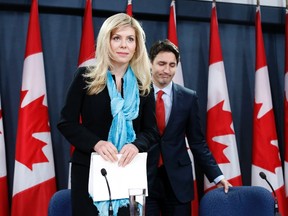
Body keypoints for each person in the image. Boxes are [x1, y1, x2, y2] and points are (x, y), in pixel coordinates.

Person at [57, 13, 158, 216]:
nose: (124, 45)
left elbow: (151, 131)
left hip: (129, 173)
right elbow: (66, 123)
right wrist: (97, 143)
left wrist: (136, 145)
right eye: (116, 38)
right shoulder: (86, 76)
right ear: (106, 41)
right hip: (90, 171)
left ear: (137, 46)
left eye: (130, 39)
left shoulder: (143, 84)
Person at [146, 39, 232, 216]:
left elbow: (197, 142)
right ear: (150, 63)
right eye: (161, 63)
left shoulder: (188, 97)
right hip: (144, 179)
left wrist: (217, 176)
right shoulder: (137, 94)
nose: (166, 70)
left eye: (172, 65)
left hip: (178, 181)